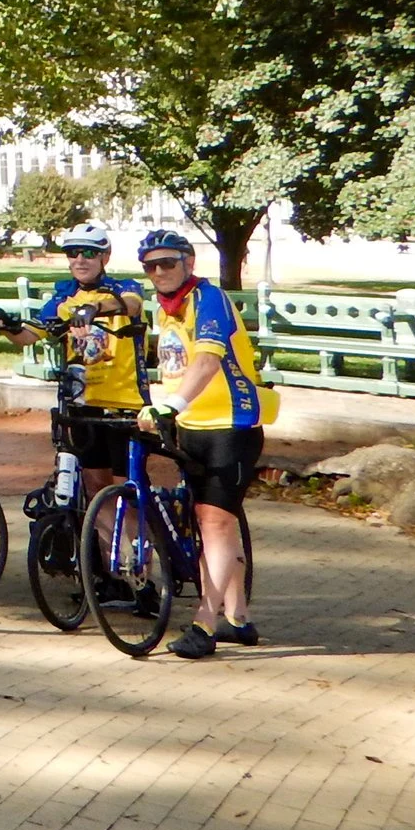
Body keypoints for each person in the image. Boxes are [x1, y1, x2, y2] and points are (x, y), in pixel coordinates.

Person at [137, 229, 274, 658]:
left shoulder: (208, 299)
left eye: (168, 263)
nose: (159, 272)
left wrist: (171, 404)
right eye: (151, 266)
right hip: (191, 427)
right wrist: (162, 407)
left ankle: (204, 623)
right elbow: (172, 367)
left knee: (214, 524)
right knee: (212, 523)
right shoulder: (166, 311)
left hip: (230, 426)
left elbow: (208, 359)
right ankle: (238, 617)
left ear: (188, 263)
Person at [13, 222, 146, 507]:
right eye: (73, 253)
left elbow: (132, 305)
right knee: (95, 486)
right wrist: (2, 325)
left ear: (104, 257)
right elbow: (29, 335)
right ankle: (105, 550)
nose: (80, 260)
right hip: (83, 403)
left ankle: (136, 550)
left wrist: (95, 308)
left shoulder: (124, 288)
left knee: (127, 490)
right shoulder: (64, 296)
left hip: (124, 403)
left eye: (88, 252)